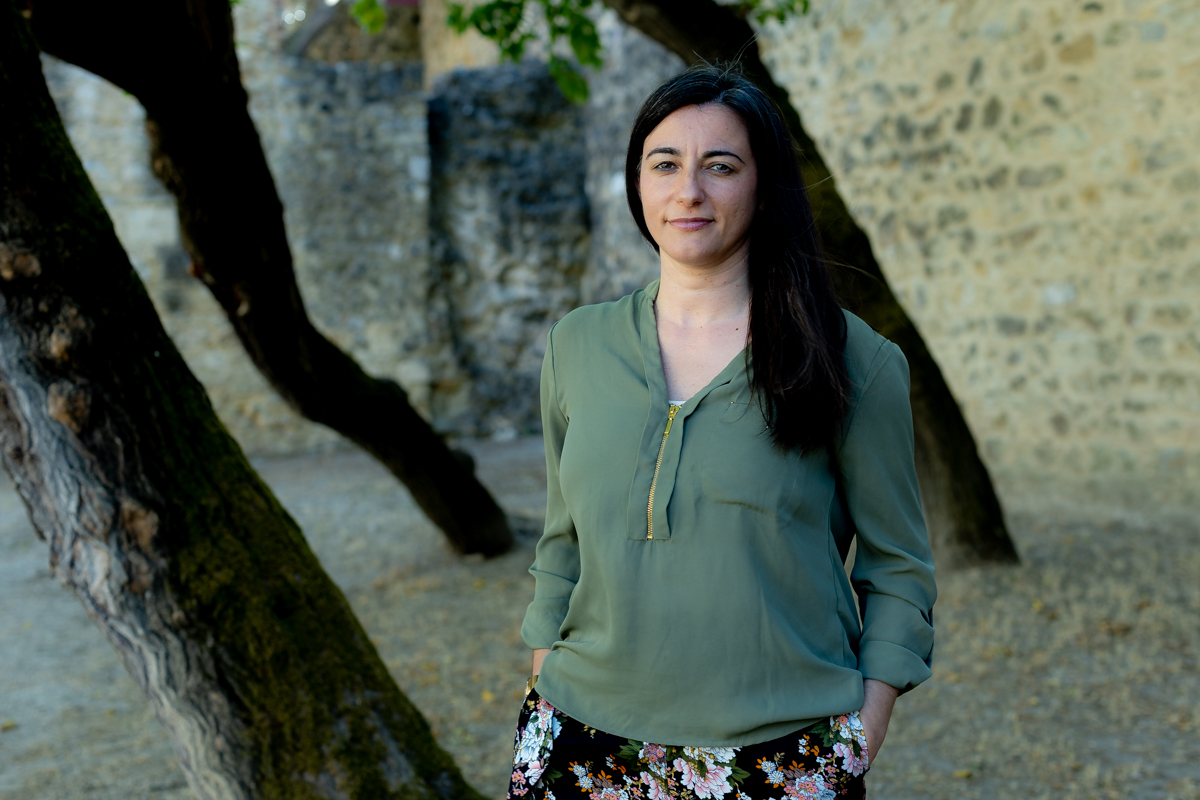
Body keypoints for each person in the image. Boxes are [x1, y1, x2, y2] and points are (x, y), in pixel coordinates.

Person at [507, 64, 936, 800]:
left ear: (764, 188)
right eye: (664, 164)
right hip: (578, 744)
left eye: (721, 166)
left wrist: (858, 738)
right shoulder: (576, 345)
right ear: (637, 183)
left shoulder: (853, 360)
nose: (689, 191)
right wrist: (546, 673)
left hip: (782, 754)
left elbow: (898, 567)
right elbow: (562, 542)